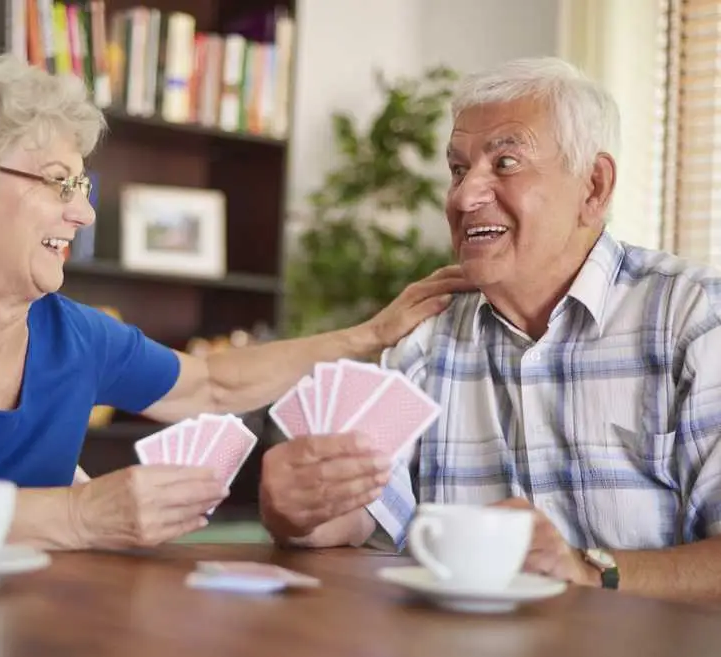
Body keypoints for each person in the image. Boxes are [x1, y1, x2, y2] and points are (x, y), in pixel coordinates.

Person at [0, 41, 469, 551]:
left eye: (82, 186)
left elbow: (215, 383)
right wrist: (77, 515)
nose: (83, 214)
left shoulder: (74, 335)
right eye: (57, 182)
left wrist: (366, 335)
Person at [259, 56, 721, 602]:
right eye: (458, 169)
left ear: (593, 187)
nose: (462, 197)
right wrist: (297, 510)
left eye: (504, 163)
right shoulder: (425, 337)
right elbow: (355, 516)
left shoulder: (692, 318)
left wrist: (592, 571)